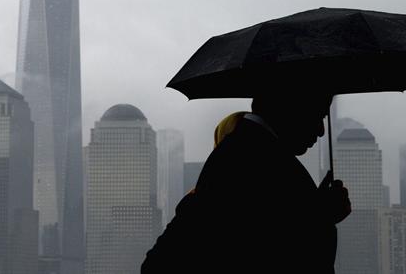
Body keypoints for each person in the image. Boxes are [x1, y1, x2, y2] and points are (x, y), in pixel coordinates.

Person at [141, 88, 351, 273]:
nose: (321, 131)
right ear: (292, 107)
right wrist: (320, 216)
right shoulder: (260, 161)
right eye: (318, 115)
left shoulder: (243, 152)